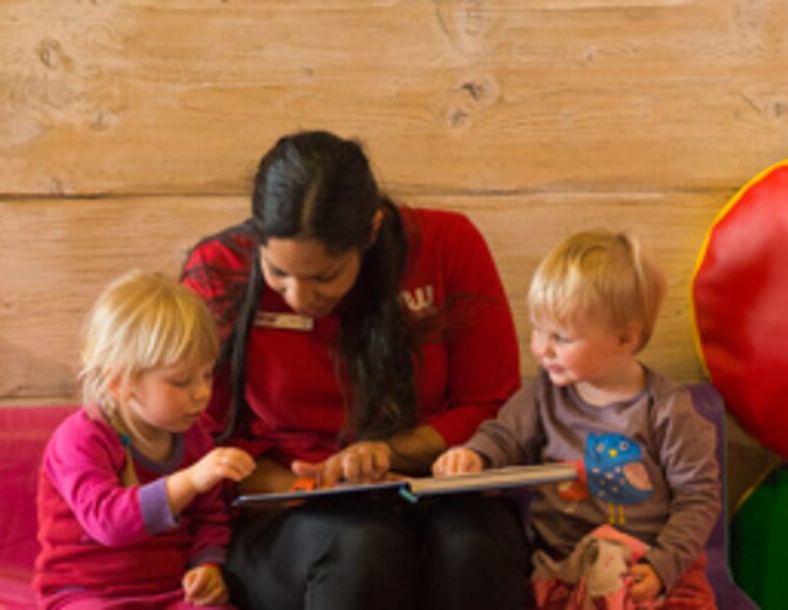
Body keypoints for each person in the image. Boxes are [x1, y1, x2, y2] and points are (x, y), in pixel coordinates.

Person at [180, 130, 530, 609]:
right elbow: (200, 437)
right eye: (278, 272)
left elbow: (493, 405)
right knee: (364, 550)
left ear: (371, 232)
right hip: (292, 509)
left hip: (433, 488)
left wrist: (387, 454)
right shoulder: (219, 270)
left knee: (470, 548)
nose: (299, 297)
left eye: (324, 276)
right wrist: (313, 485)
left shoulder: (448, 244)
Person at [434, 230, 722, 609]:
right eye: (538, 329)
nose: (542, 348)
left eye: (563, 338)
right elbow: (503, 435)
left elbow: (698, 498)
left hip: (648, 570)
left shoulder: (667, 410)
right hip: (564, 570)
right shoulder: (544, 394)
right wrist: (476, 455)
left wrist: (661, 565)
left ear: (624, 340)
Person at [34, 270, 256, 609]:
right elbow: (107, 523)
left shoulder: (194, 439)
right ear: (120, 382)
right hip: (85, 594)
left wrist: (208, 566)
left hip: (168, 593)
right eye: (181, 382)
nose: (201, 394)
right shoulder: (81, 439)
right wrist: (191, 480)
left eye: (207, 375)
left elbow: (210, 519)